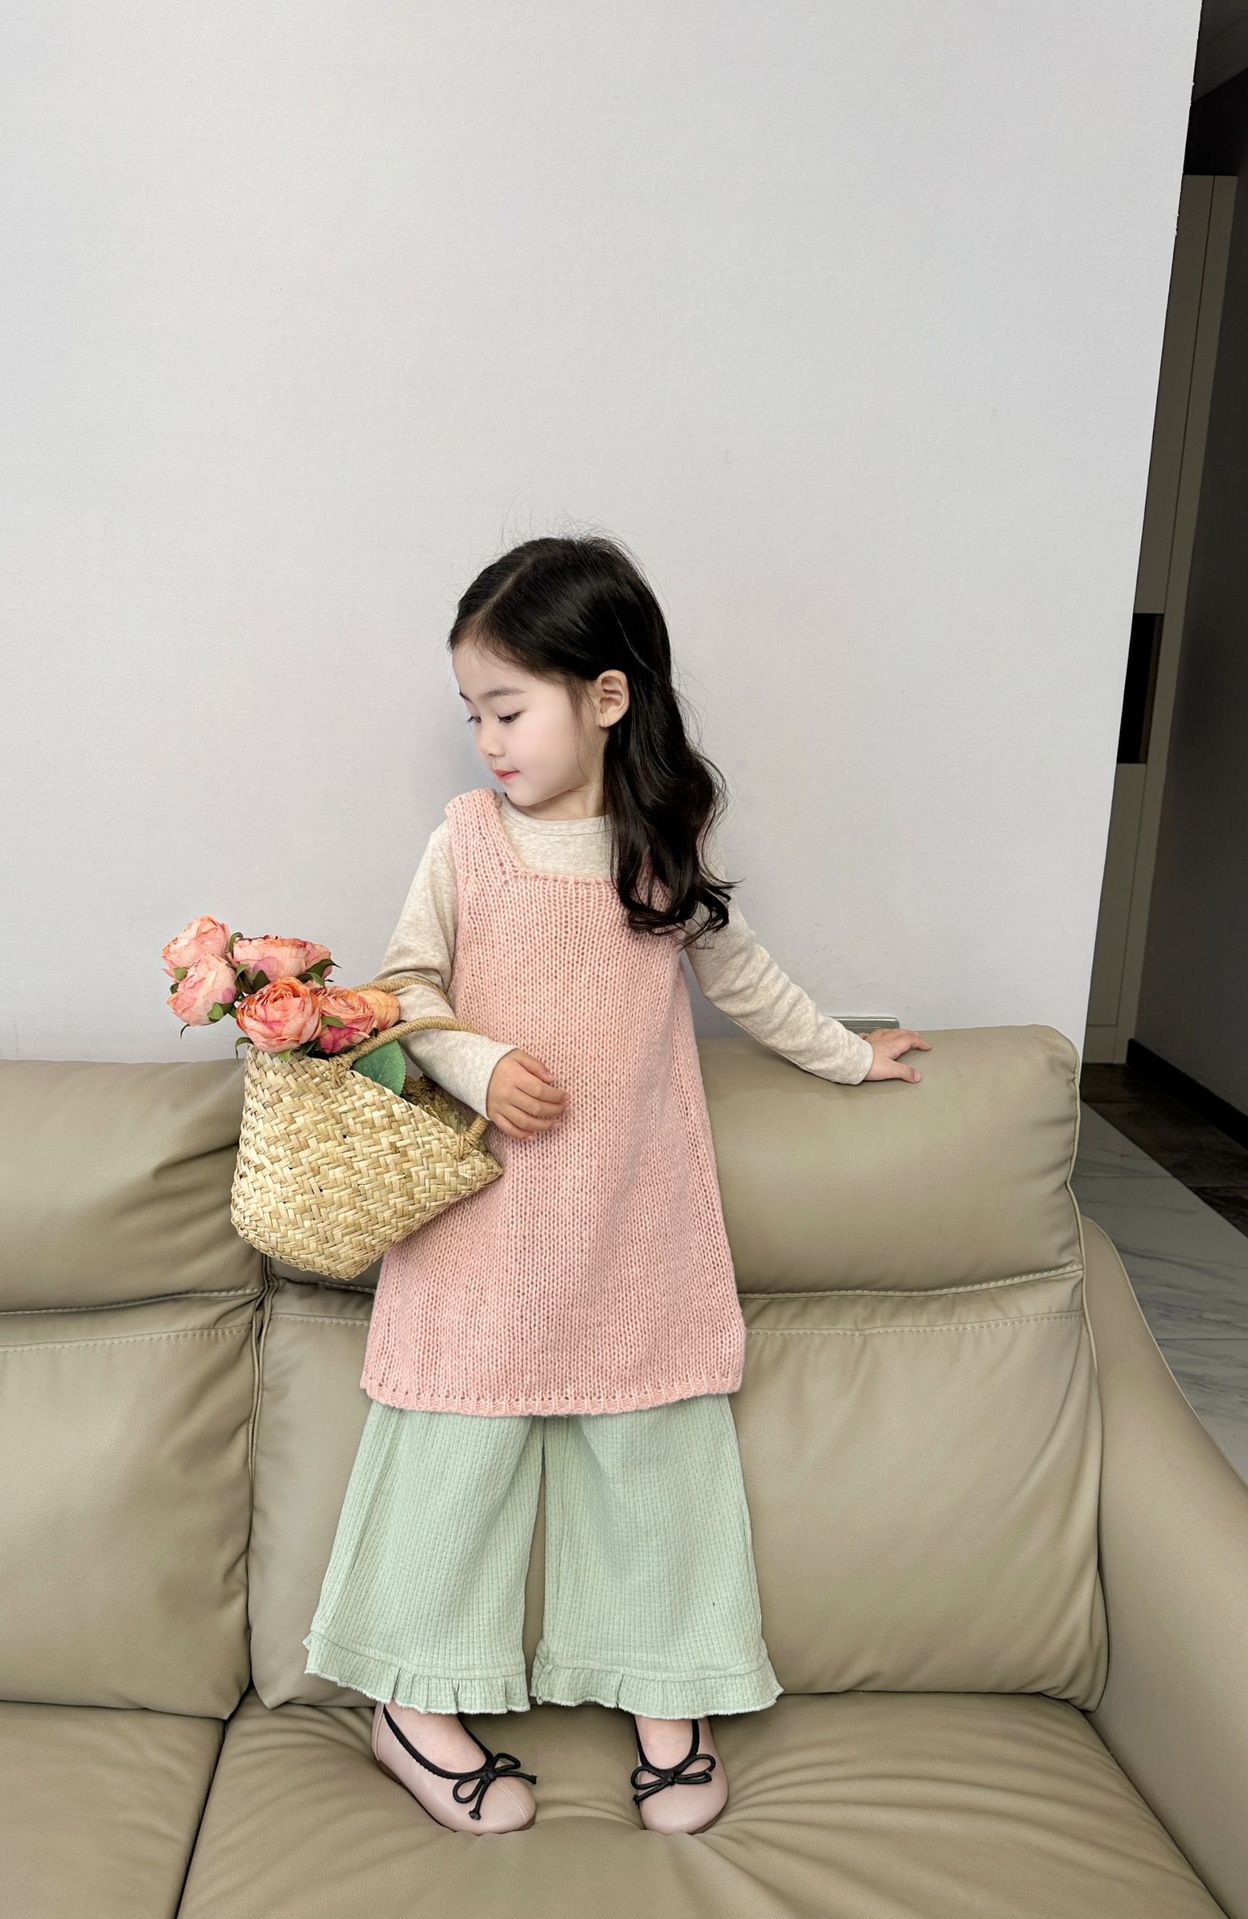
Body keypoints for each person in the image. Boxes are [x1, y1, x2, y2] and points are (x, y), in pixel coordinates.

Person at [303, 532, 930, 1836]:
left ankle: (671, 1699)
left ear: (605, 696)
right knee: (450, 1459)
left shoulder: (659, 849)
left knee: (659, 1465)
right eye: (472, 713)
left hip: (632, 1225)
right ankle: (410, 1711)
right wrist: (477, 1065)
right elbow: (403, 989)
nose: (486, 740)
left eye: (508, 708)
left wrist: (845, 1053)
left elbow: (745, 978)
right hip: (483, 1227)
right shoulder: (466, 843)